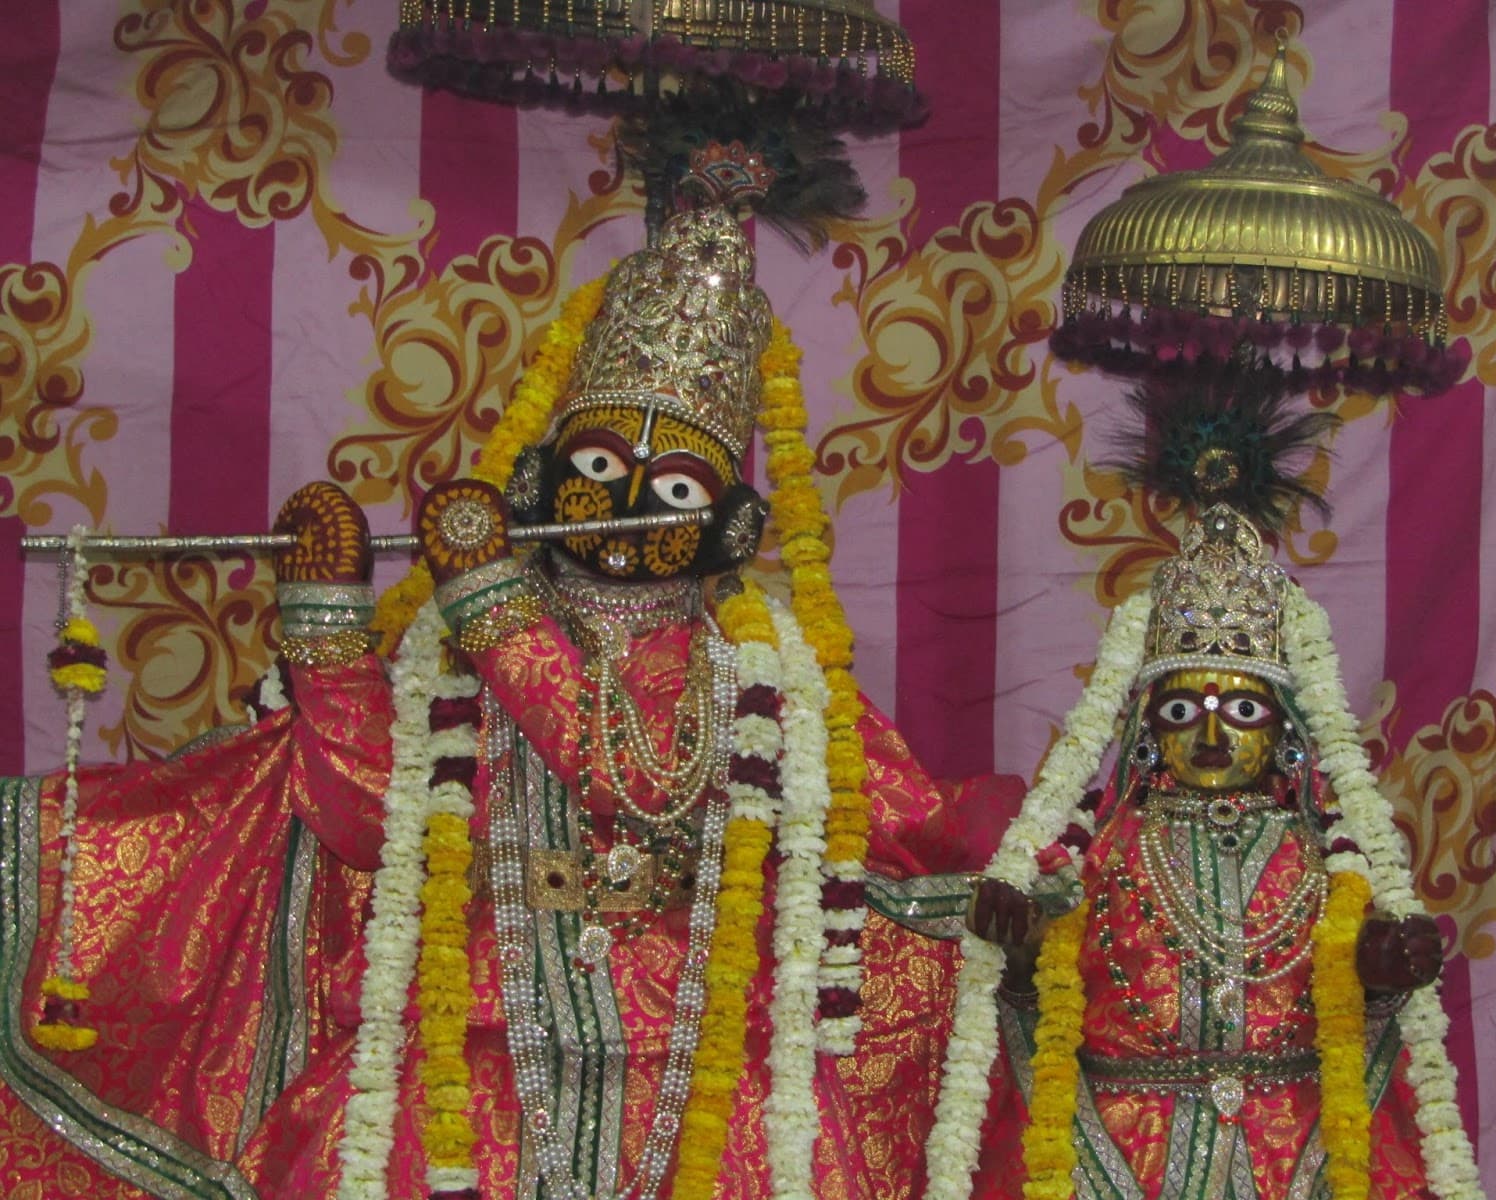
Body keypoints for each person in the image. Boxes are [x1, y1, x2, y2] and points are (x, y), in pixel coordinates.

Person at [0, 190, 1022, 1200]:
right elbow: (364, 821)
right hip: (471, 1045)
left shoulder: (758, 672)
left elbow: (636, 773)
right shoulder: (452, 653)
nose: (625, 501)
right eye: (597, 466)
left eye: (673, 488)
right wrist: (324, 613)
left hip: (709, 1069)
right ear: (538, 484)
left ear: (732, 527)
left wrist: (490, 597)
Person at [954, 408, 1482, 1200]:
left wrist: (1379, 979)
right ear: (1143, 729)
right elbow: (1045, 985)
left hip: (1297, 1139)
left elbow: (1357, 1025)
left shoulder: (1325, 855)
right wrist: (1019, 947)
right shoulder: (1103, 845)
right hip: (1119, 1147)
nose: (1208, 732)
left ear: (1284, 732)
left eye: (1240, 710)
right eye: (1179, 710)